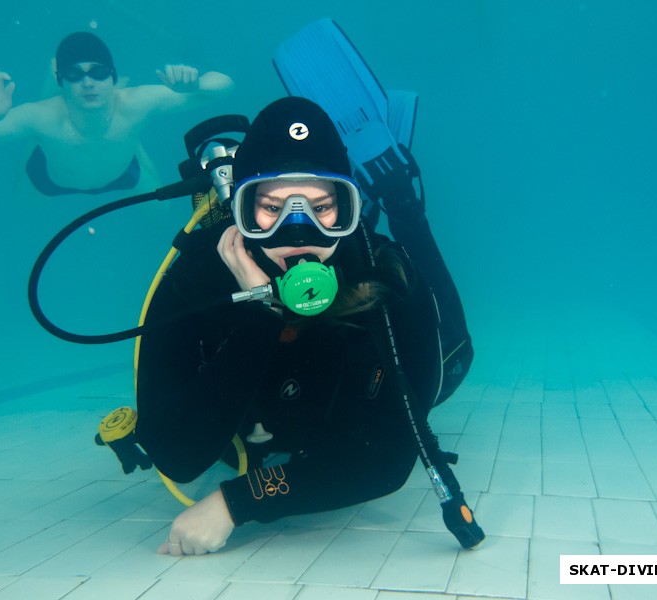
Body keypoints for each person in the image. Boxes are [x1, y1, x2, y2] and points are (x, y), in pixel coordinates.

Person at [134, 96, 474, 555]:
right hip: (257, 422)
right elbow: (176, 455)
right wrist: (259, 312)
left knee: (456, 355)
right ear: (242, 209)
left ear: (347, 209)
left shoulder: (380, 271)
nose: (300, 231)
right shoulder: (197, 277)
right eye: (272, 208)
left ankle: (401, 202)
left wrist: (236, 502)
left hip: (333, 414)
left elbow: (386, 460)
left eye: (322, 207)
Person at [0, 31, 234, 195]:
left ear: (112, 77)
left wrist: (192, 86)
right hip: (50, 179)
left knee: (161, 212)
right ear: (62, 80)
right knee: (21, 205)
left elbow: (224, 85)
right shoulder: (41, 116)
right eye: (74, 75)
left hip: (121, 173)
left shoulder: (135, 102)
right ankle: (33, 139)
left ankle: (133, 145)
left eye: (99, 72)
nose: (88, 82)